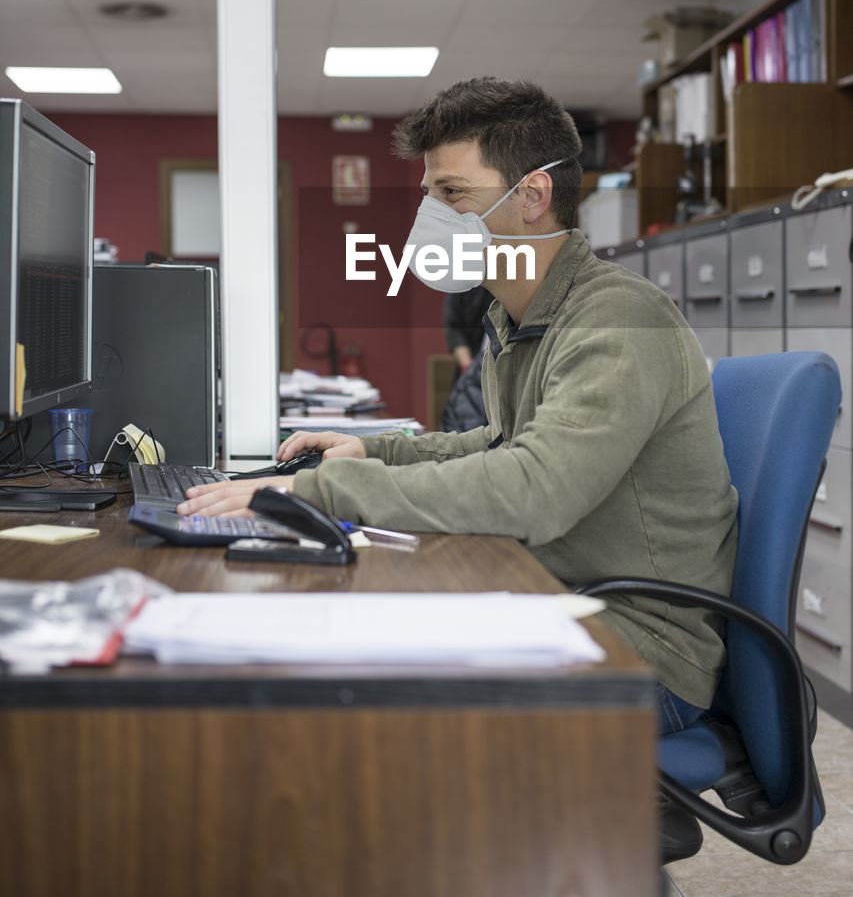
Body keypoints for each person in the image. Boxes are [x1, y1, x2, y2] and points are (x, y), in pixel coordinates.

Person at [181, 76, 738, 734]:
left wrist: (324, 490)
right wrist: (375, 449)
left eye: (452, 194)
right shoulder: (516, 316)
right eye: (429, 195)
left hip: (638, 646)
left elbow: (534, 490)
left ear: (532, 195)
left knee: (375, 700)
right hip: (558, 596)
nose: (430, 216)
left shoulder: (615, 319)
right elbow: (499, 444)